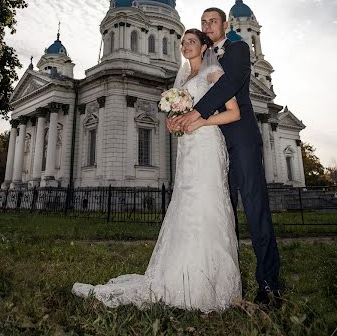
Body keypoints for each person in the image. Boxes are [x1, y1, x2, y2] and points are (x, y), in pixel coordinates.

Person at [72, 29, 242, 312]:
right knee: (185, 206)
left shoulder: (213, 73)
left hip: (207, 145)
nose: (186, 46)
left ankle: (210, 281)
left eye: (191, 42)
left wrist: (200, 122)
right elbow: (181, 113)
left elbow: (233, 113)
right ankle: (180, 274)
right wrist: (174, 122)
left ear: (204, 47)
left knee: (207, 205)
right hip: (187, 148)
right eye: (183, 42)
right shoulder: (182, 79)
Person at [169, 9, 280, 305]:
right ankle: (224, 281)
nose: (207, 26)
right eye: (203, 22)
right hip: (212, 145)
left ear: (225, 25)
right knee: (220, 213)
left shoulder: (238, 49)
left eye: (212, 21)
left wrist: (196, 113)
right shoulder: (203, 60)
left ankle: (269, 283)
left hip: (240, 139)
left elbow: (229, 84)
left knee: (255, 209)